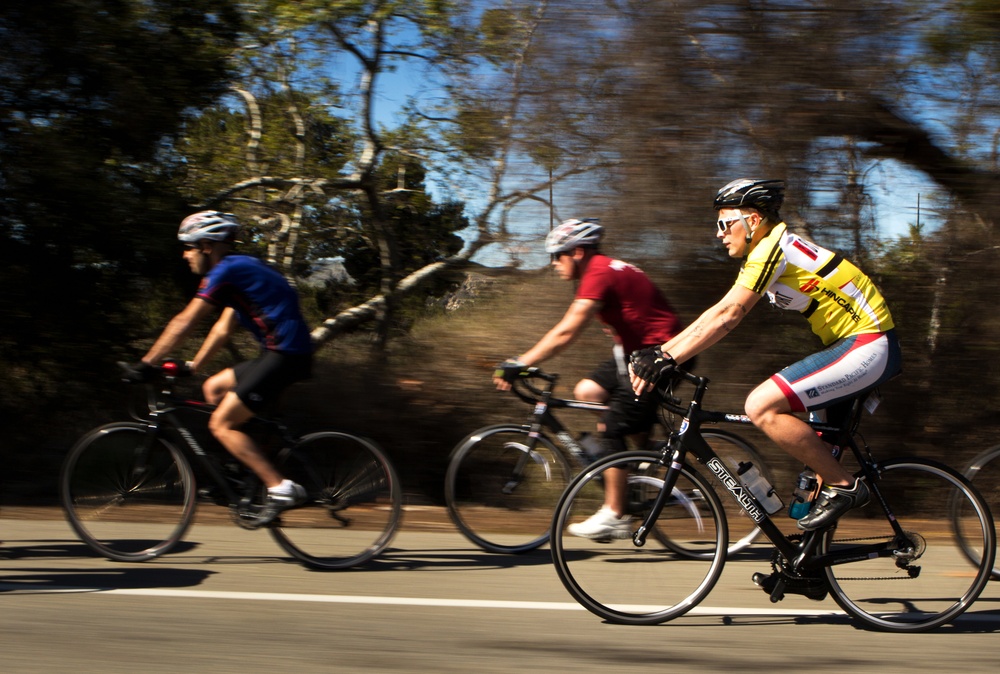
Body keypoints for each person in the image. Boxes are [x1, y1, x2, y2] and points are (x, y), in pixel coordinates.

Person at [630, 179, 902, 531]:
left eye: (724, 224)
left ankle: (847, 487)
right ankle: (806, 567)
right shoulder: (767, 251)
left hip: (869, 343)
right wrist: (665, 353)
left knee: (760, 406)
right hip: (849, 347)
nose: (719, 234)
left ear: (753, 221)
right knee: (806, 498)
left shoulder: (774, 248)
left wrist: (667, 357)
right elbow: (721, 309)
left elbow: (729, 316)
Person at [494, 218, 687, 540]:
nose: (554, 263)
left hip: (661, 357)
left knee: (611, 427)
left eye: (558, 255)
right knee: (588, 390)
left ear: (578, 252)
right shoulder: (603, 269)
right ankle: (643, 459)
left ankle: (616, 513)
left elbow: (567, 331)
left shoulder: (597, 272)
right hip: (636, 354)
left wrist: (520, 362)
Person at [125, 211, 314, 525]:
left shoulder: (228, 270)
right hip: (281, 352)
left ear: (207, 246)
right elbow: (222, 329)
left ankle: (281, 488)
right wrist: (194, 366)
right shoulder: (239, 271)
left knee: (221, 425)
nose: (185, 255)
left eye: (188, 247)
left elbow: (185, 321)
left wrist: (146, 364)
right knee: (212, 388)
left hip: (285, 355)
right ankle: (243, 475)